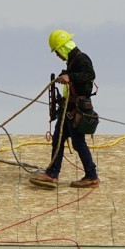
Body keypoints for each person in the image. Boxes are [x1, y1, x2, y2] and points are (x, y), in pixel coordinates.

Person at [29, 29, 100, 189]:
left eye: (57, 51)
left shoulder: (82, 58)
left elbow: (90, 74)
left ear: (63, 47)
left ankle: (91, 176)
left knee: (78, 143)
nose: (57, 55)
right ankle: (52, 174)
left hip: (77, 110)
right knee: (58, 140)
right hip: (68, 108)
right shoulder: (72, 61)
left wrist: (70, 77)